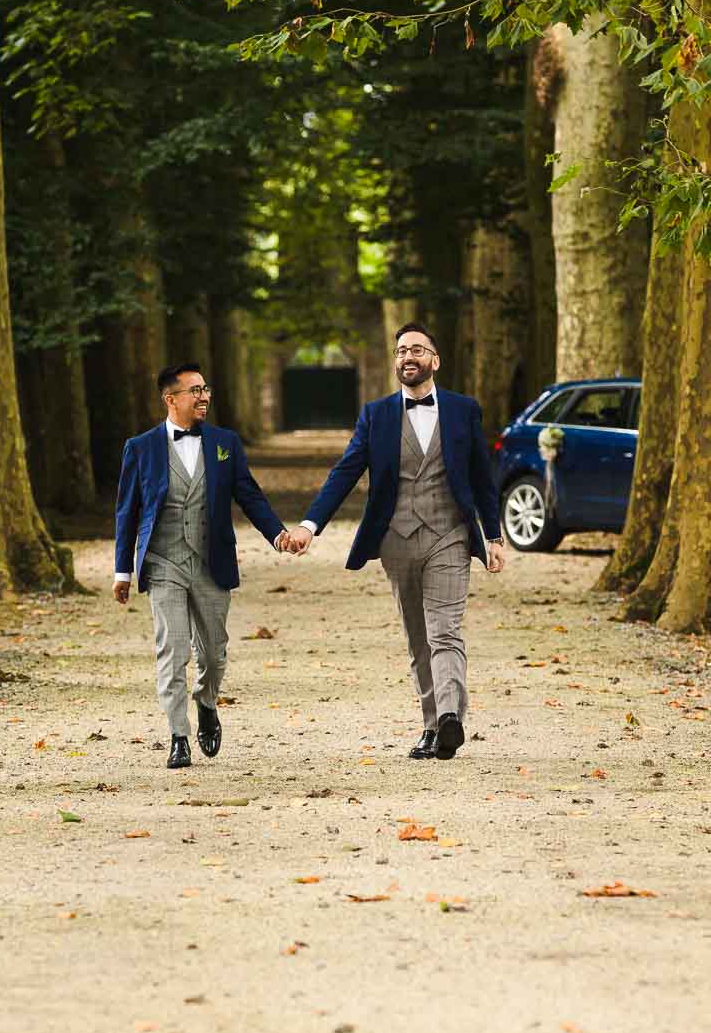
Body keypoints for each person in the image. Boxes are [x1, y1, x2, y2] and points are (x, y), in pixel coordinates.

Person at [281, 324, 505, 759]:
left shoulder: (464, 411)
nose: (408, 356)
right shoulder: (376, 415)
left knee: (446, 630)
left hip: (450, 536)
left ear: (435, 361)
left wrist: (492, 534)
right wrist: (310, 525)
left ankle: (449, 718)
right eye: (401, 350)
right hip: (396, 540)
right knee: (418, 635)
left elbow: (482, 477)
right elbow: (345, 472)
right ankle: (431, 724)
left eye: (418, 349)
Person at [114, 364, 293, 769]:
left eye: (206, 389)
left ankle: (207, 701)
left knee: (213, 653)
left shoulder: (224, 442)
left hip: (212, 560)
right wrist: (122, 570)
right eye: (195, 390)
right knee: (172, 648)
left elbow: (249, 494)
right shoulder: (140, 448)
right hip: (163, 561)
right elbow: (127, 511)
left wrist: (278, 534)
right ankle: (178, 735)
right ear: (170, 398)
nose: (204, 396)